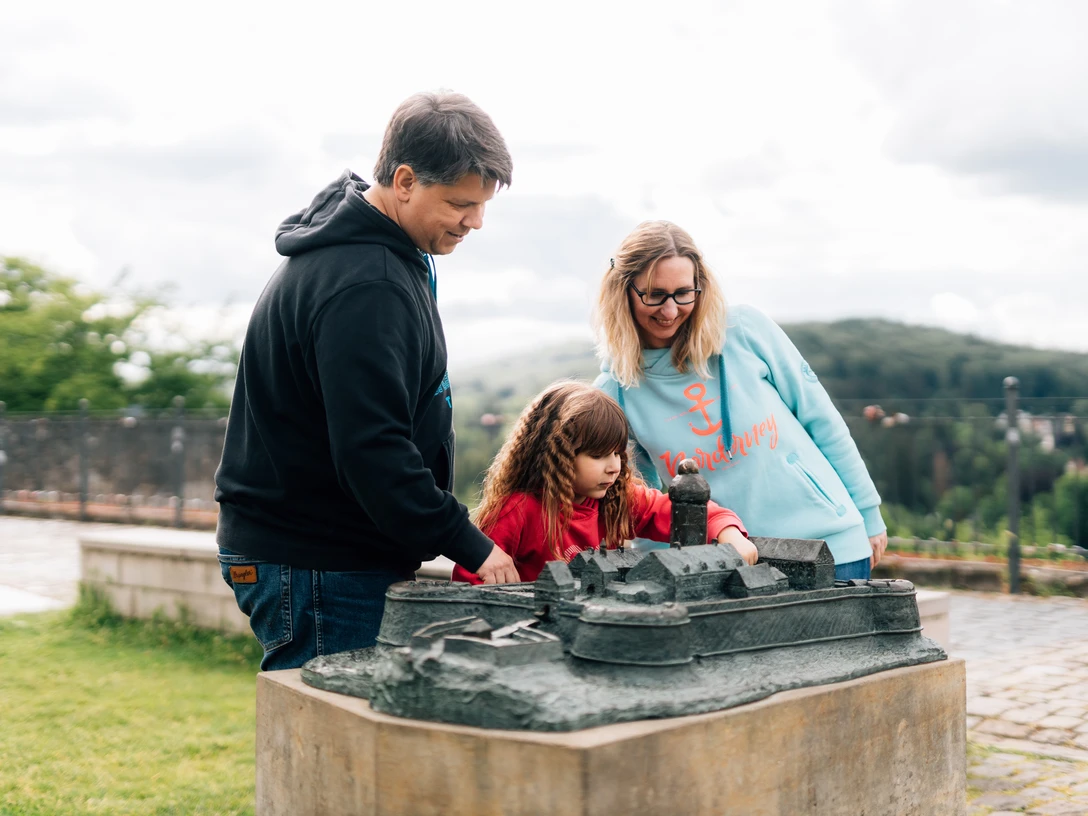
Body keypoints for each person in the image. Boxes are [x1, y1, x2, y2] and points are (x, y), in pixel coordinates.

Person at [214, 91, 521, 671]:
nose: (475, 221)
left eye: (482, 205)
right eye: (460, 203)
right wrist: (471, 544)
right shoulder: (366, 283)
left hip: (322, 551)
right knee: (333, 746)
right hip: (317, 561)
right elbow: (373, 448)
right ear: (404, 181)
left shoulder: (385, 255)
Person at [593, 221, 888, 581]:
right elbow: (642, 499)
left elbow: (822, 420)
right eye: (654, 295)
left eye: (684, 293)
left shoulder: (745, 331)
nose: (669, 310)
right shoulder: (615, 390)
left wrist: (869, 514)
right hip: (727, 570)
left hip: (829, 546)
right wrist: (666, 570)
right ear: (623, 291)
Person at [451, 381, 754, 584]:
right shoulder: (517, 511)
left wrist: (729, 533)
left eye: (617, 453)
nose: (613, 467)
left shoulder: (617, 498)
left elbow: (680, 511)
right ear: (555, 455)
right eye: (597, 455)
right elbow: (471, 581)